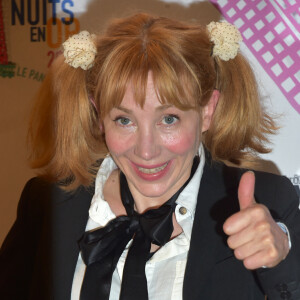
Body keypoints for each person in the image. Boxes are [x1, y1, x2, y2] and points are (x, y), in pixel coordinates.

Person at [0, 13, 299, 300]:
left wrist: (282, 256)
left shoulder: (269, 203)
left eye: (168, 119)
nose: (146, 150)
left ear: (207, 110)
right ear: (99, 114)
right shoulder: (47, 204)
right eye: (124, 120)